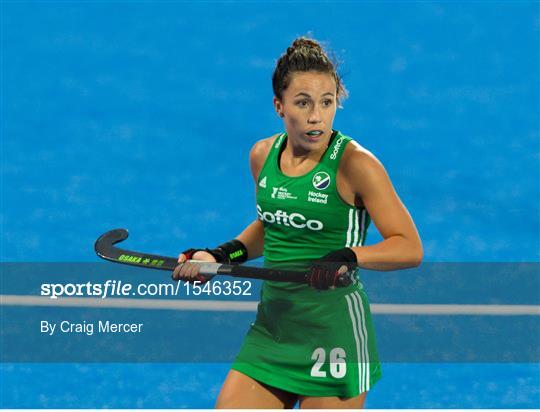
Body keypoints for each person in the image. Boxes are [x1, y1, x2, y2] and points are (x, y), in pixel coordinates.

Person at [172, 37, 423, 409]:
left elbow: (409, 246)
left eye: (327, 102)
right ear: (279, 106)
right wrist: (220, 255)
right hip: (274, 329)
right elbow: (272, 225)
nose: (316, 116)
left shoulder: (356, 165)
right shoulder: (262, 155)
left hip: (333, 333)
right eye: (303, 103)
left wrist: (349, 256)